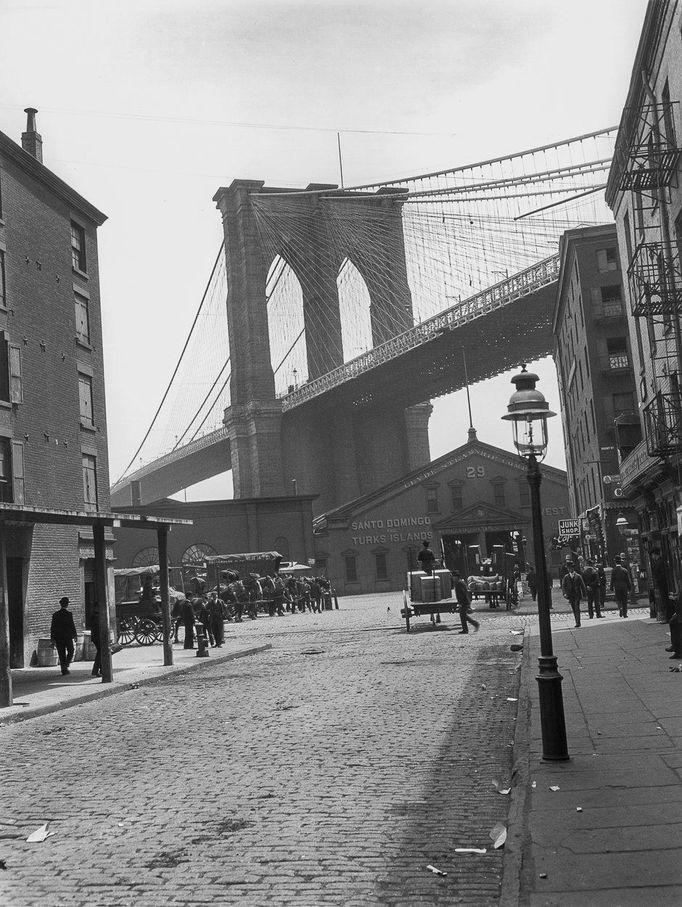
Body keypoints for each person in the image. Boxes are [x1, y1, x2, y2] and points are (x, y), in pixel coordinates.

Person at [50, 596, 78, 676]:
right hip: (67, 636)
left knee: (61, 653)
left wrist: (52, 638)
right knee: (71, 650)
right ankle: (66, 665)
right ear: (67, 605)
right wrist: (75, 635)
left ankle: (64, 668)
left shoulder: (55, 615)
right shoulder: (69, 614)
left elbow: (53, 627)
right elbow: (72, 625)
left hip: (58, 637)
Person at [452, 570, 480, 634]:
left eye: (453, 577)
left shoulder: (459, 583)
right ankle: (469, 627)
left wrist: (461, 603)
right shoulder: (459, 582)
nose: (452, 578)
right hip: (464, 601)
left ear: (456, 577)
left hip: (464, 602)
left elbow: (462, 594)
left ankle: (471, 626)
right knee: (463, 615)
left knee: (462, 615)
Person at [561, 561, 586, 628]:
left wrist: (584, 595)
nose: (569, 569)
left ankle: (578, 622)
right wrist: (564, 593)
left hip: (577, 594)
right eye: (568, 568)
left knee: (576, 607)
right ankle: (576, 620)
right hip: (570, 595)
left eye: (570, 568)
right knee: (574, 608)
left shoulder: (578, 576)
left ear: (573, 568)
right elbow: (563, 586)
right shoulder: (566, 577)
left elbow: (583, 586)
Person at [90, 608, 102, 677]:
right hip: (99, 637)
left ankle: (100, 670)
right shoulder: (97, 618)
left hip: (95, 637)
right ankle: (95, 670)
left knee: (100, 653)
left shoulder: (93, 617)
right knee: (100, 653)